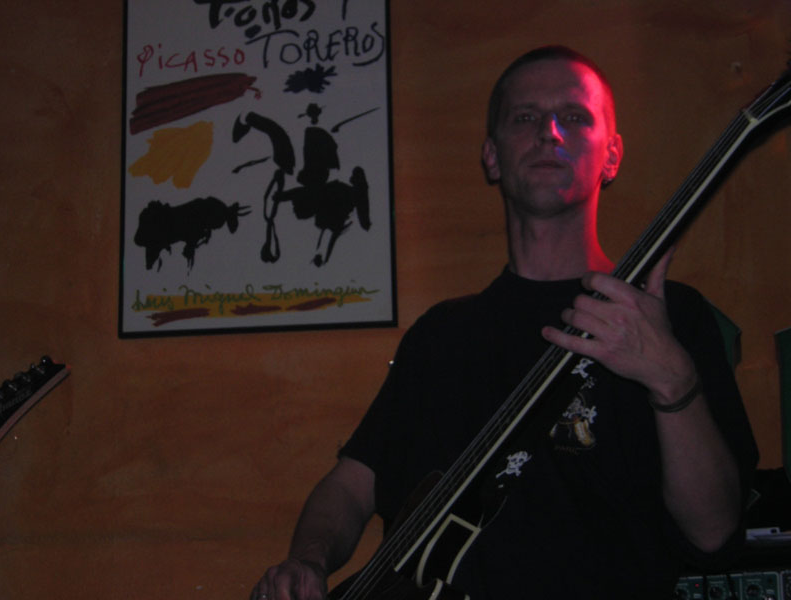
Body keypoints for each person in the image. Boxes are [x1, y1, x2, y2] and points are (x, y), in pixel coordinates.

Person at [252, 45, 758, 599]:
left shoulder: (666, 317)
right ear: (492, 157)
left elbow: (713, 532)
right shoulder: (441, 334)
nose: (548, 133)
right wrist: (307, 560)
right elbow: (353, 484)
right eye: (525, 117)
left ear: (611, 155)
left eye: (573, 117)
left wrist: (674, 382)